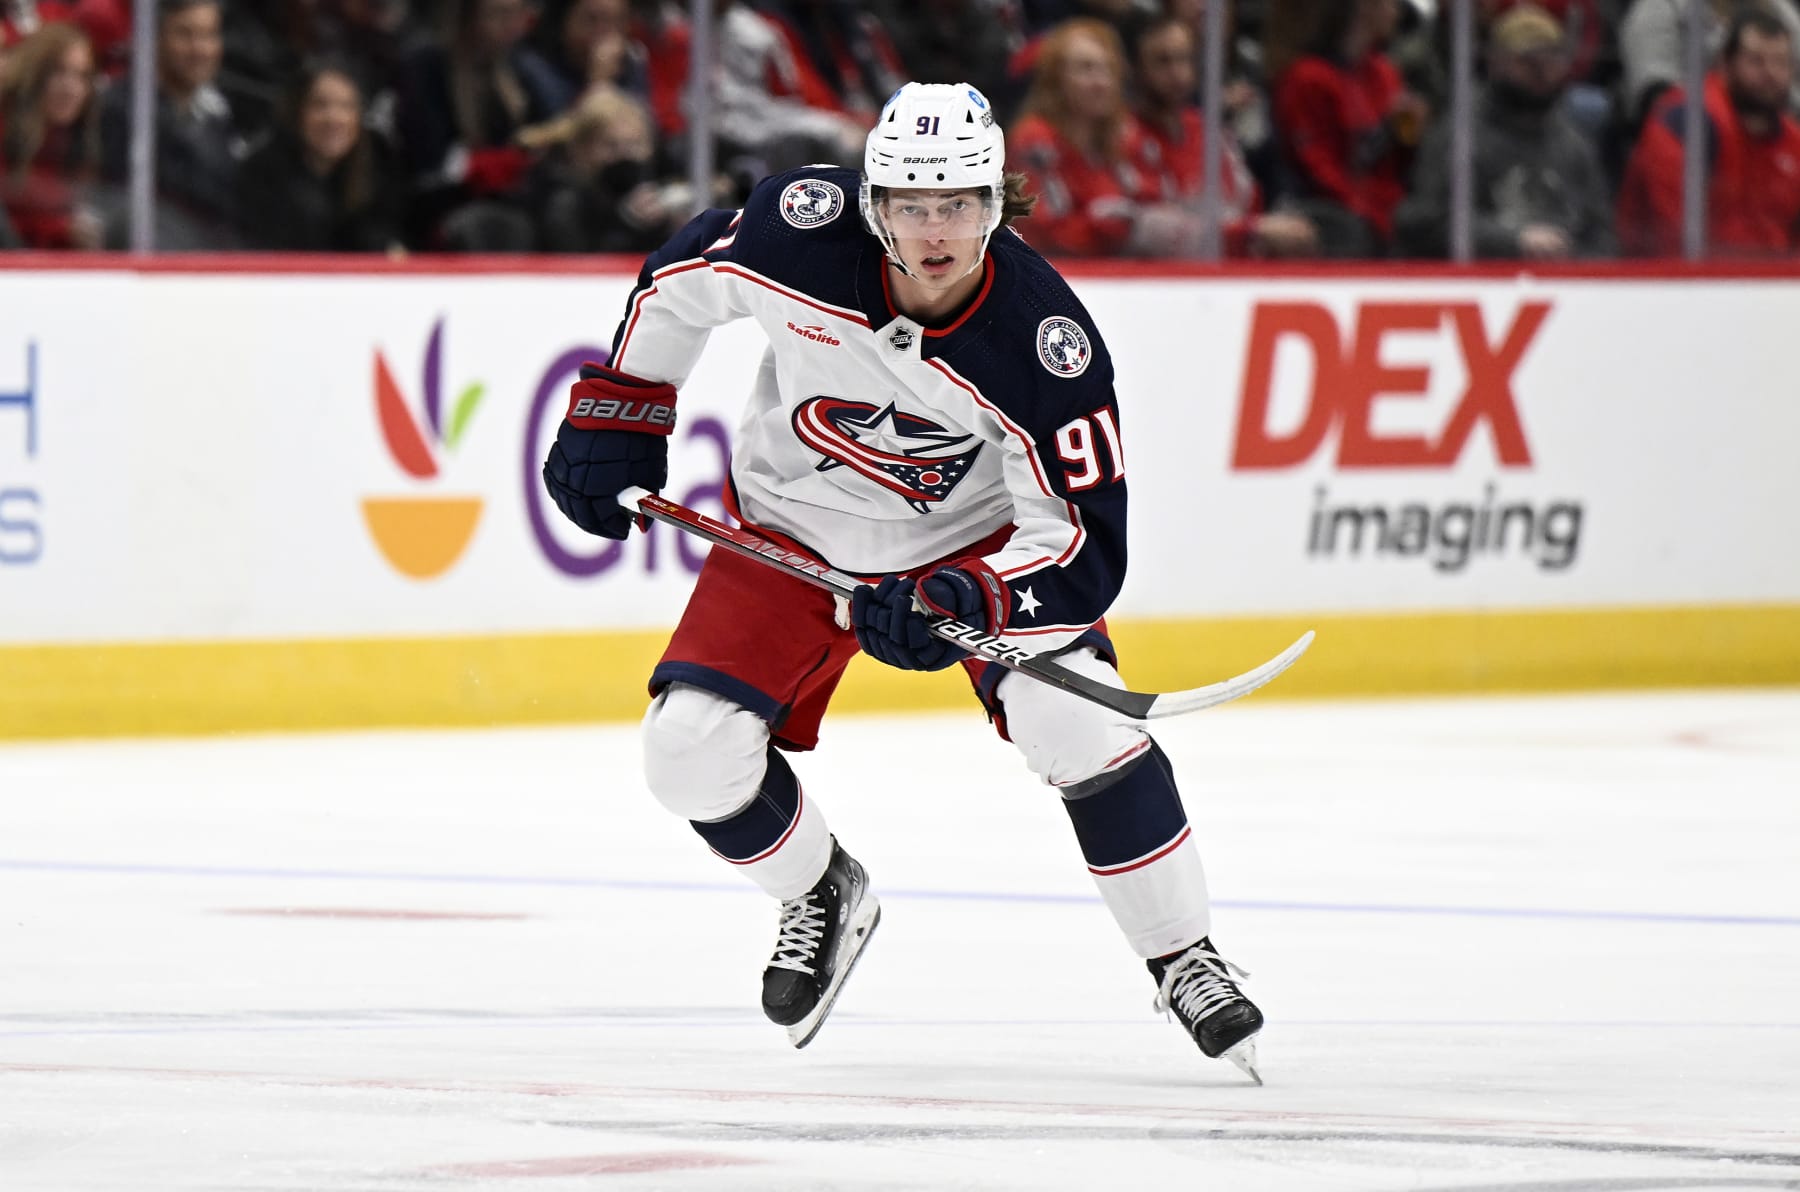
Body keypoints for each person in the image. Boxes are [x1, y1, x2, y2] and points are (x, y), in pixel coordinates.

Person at [540, 81, 1266, 1080]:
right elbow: (680, 279)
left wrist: (970, 593)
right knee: (686, 755)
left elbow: (1086, 542)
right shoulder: (802, 232)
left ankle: (1185, 956)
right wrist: (617, 410)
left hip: (970, 549)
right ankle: (820, 892)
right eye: (912, 204)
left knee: (1078, 727)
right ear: (872, 201)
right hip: (793, 530)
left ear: (997, 203)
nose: (935, 229)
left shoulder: (1046, 343)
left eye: (960, 203)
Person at [1394, 3, 1615, 259]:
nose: (1542, 71)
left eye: (1552, 58)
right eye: (1527, 60)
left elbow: (1602, 235)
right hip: (1484, 282)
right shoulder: (1459, 136)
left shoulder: (1574, 145)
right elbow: (1424, 224)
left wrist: (1576, 261)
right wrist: (1514, 241)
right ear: (1496, 63)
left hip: (1564, 287)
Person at [1008, 18, 1205, 256]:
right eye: (1086, 69)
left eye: (1108, 69)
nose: (1101, 82)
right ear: (1055, 79)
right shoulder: (1035, 140)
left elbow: (1156, 201)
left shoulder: (1123, 137)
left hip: (1121, 275)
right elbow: (1044, 232)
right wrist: (1117, 228)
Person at [1616, 8, 1800, 257]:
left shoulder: (1793, 142)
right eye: (1756, 61)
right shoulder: (1687, 122)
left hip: (1768, 285)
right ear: (1725, 64)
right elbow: (1674, 236)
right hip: (1679, 283)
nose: (1771, 74)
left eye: (1781, 62)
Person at [1130, 15, 1318, 258]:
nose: (1177, 72)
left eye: (1184, 59)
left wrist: (1265, 230)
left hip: (1231, 269)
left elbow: (1248, 202)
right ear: (1137, 69)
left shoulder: (1210, 131)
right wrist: (1252, 232)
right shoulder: (1124, 137)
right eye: (1163, 61)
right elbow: (1155, 230)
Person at [1271, 0, 1428, 256]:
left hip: (1386, 210)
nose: (1395, 12)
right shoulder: (1307, 78)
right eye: (1389, 4)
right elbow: (1317, 169)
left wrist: (1410, 138)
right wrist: (1370, 212)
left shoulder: (1385, 74)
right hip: (1334, 215)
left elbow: (1401, 165)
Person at [97, 0, 241, 249]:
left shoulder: (217, 114)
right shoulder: (123, 110)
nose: (200, 49)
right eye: (185, 34)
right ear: (155, 39)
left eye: (209, 35)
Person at [235, 59, 404, 252]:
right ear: (297, 112)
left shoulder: (378, 174)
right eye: (320, 105)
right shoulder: (261, 175)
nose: (333, 118)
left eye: (346, 106)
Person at [0, 21, 103, 250]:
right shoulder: (5, 127)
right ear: (34, 75)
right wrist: (60, 227)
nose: (71, 89)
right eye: (59, 73)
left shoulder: (84, 138)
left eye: (82, 76)